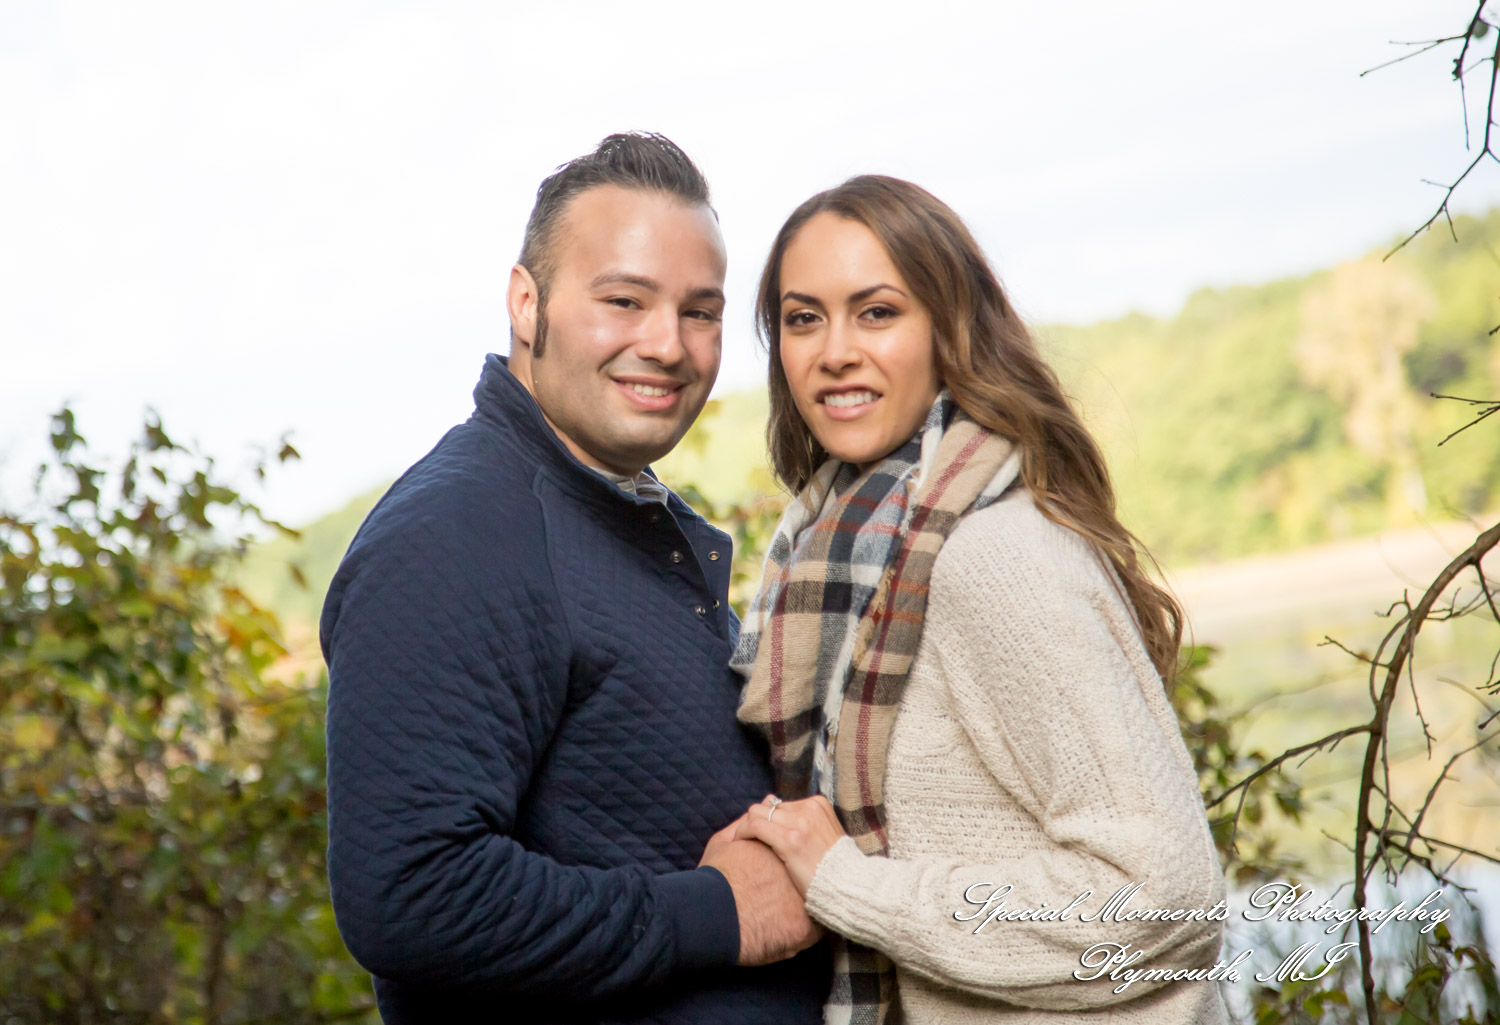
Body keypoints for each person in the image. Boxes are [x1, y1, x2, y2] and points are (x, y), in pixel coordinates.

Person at [320, 133, 829, 1025]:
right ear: (528, 304)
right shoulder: (457, 532)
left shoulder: (611, 515)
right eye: (624, 300)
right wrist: (715, 913)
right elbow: (410, 894)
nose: (666, 344)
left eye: (700, 311)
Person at [727, 176, 1231, 1023]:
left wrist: (850, 885)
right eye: (803, 317)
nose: (834, 350)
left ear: (948, 328)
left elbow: (1163, 897)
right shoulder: (830, 553)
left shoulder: (994, 555)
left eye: (877, 312)